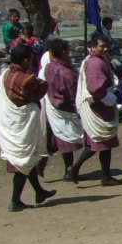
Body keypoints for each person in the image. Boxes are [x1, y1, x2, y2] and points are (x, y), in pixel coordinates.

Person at [0, 45, 57, 211]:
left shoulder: (5, 75)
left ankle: (39, 192)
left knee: (29, 160)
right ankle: (15, 201)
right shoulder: (25, 79)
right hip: (19, 129)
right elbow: (41, 88)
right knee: (23, 162)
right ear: (26, 60)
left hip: (10, 125)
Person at [70, 33, 121, 186]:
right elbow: (95, 88)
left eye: (106, 46)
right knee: (99, 141)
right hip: (99, 106)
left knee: (104, 144)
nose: (105, 49)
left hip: (100, 104)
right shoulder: (95, 64)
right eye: (101, 46)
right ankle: (76, 168)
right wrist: (110, 98)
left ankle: (105, 175)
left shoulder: (96, 61)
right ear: (93, 47)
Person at [44, 39, 84, 180]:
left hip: (53, 106)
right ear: (64, 52)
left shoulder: (48, 68)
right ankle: (70, 169)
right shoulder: (66, 73)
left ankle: (66, 168)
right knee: (69, 138)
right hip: (65, 109)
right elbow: (72, 94)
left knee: (62, 138)